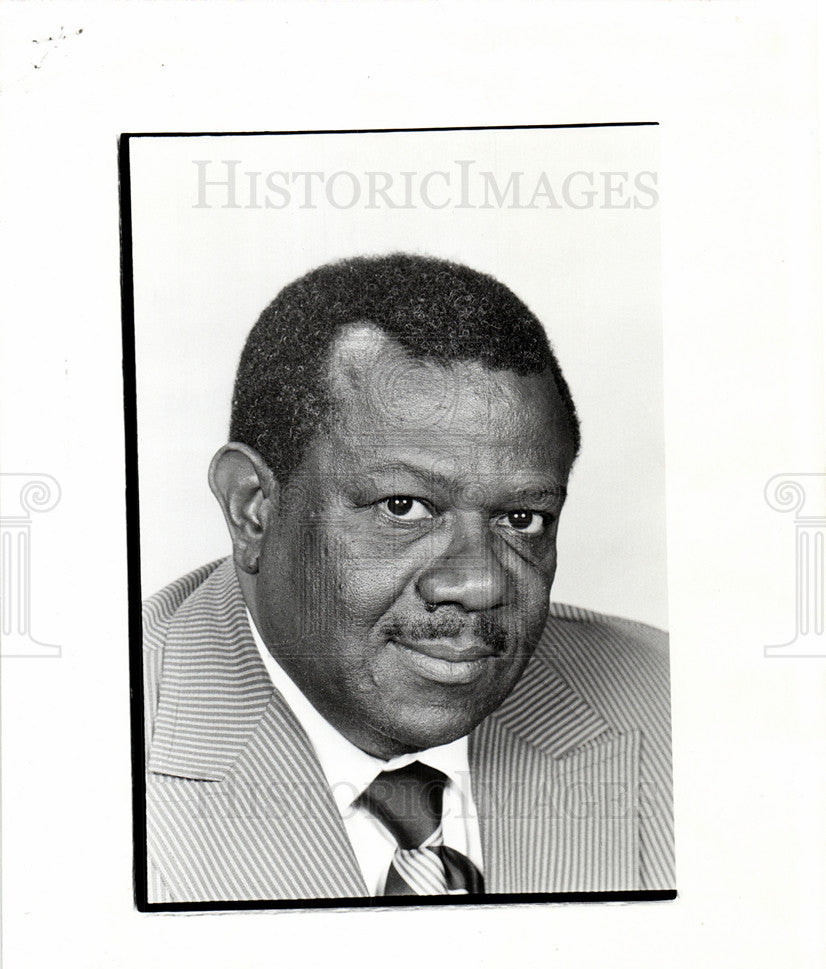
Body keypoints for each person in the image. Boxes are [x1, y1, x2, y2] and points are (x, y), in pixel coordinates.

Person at [141, 253, 673, 904]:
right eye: (404, 507)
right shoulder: (72, 752)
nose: (479, 584)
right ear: (253, 507)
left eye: (522, 517)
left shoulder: (672, 701)